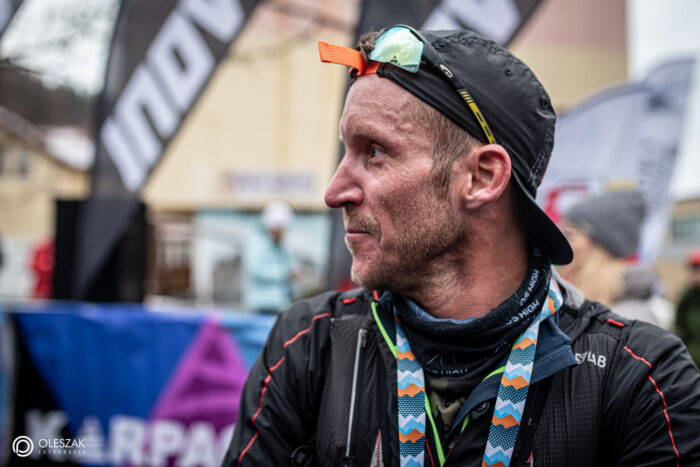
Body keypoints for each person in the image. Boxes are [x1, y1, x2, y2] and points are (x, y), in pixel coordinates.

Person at [225, 26, 700, 466]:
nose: (334, 192)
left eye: (374, 152)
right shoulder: (309, 344)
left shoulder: (640, 376)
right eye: (346, 151)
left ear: (482, 177)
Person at [558, 189, 674, 329]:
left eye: (569, 234)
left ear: (600, 246)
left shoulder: (628, 321)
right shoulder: (570, 302)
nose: (559, 241)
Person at [241, 201, 294, 313]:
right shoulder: (256, 242)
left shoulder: (277, 244)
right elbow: (256, 270)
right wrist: (287, 274)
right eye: (282, 228)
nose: (284, 232)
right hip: (261, 307)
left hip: (277, 305)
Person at [676, 249, 700, 366]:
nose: (695, 275)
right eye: (694, 269)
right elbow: (680, 328)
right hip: (693, 364)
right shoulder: (688, 297)